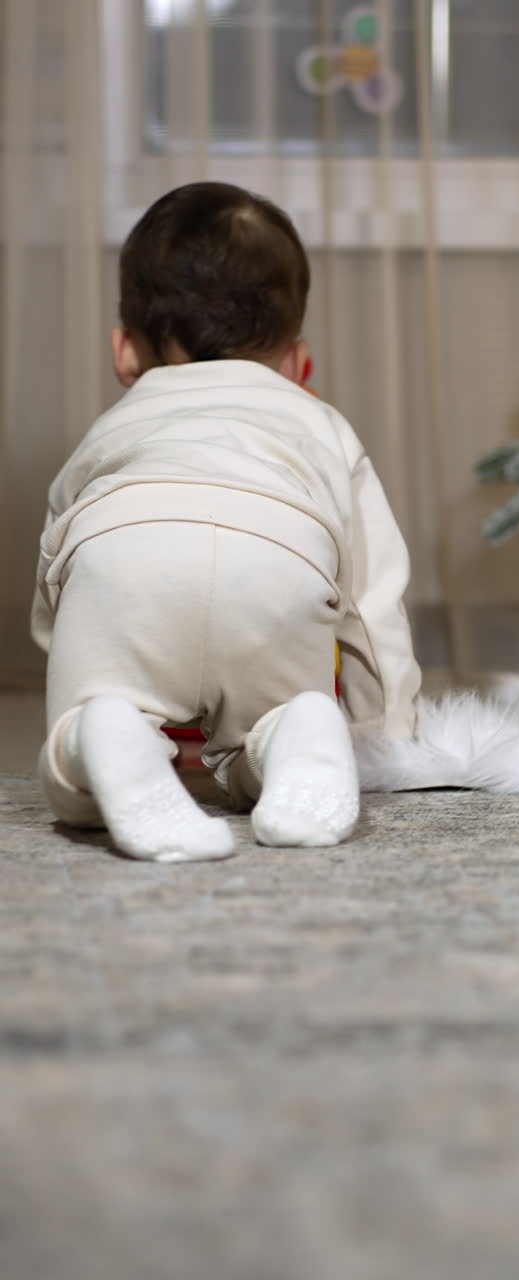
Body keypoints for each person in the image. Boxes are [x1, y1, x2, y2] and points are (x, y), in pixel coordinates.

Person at [31, 182, 421, 861]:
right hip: (273, 572)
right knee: (261, 745)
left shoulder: (110, 430)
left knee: (78, 773)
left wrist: (75, 660)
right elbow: (371, 605)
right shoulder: (323, 426)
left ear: (125, 351)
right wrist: (382, 741)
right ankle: (297, 731)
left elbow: (57, 568)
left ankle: (105, 729)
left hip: (125, 570)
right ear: (297, 363)